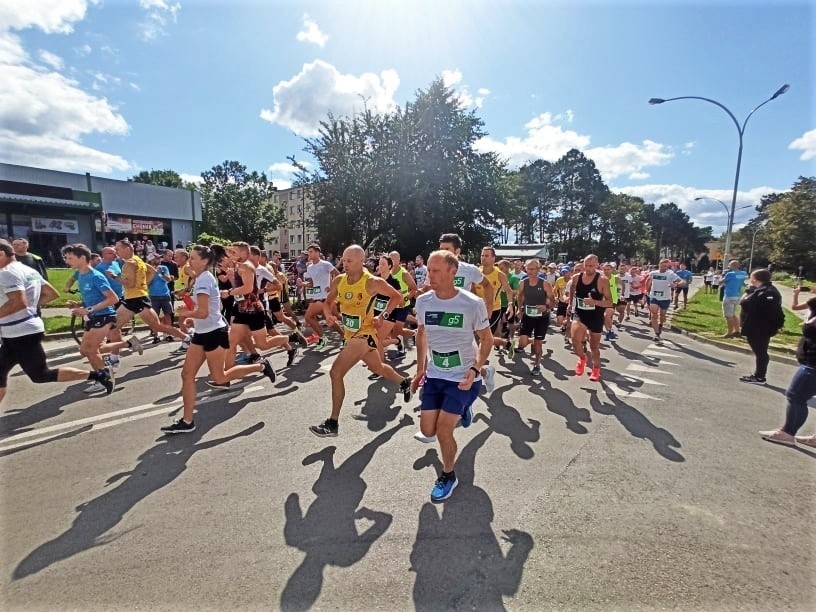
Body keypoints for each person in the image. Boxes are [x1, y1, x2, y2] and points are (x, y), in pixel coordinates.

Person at [161, 244, 276, 434]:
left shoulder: (205, 280)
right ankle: (187, 421)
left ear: (205, 261)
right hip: (202, 333)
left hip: (215, 333)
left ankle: (261, 366)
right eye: (189, 257)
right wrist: (191, 317)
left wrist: (186, 313)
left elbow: (204, 312)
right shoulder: (201, 279)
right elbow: (207, 311)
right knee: (187, 375)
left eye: (193, 258)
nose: (189, 261)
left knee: (220, 377)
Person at [411, 250, 492, 501]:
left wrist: (476, 368)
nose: (429, 275)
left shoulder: (471, 303)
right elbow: (421, 334)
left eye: (435, 271)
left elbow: (487, 340)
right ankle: (463, 411)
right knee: (427, 430)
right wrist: (420, 369)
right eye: (428, 270)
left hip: (463, 378)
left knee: (444, 431)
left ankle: (448, 475)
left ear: (452, 272)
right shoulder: (424, 302)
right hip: (436, 375)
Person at [308, 245, 412, 437]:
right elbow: (328, 302)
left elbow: (396, 297)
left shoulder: (372, 282)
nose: (344, 264)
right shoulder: (339, 280)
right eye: (343, 260)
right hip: (350, 335)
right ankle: (404, 381)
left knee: (336, 372)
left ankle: (332, 424)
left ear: (361, 261)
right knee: (378, 368)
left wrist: (383, 315)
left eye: (349, 261)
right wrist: (328, 314)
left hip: (365, 335)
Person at [0, 239, 113, 405]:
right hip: (18, 330)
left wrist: (26, 307)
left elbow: (18, 302)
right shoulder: (27, 269)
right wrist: (31, 306)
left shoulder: (6, 273)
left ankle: (98, 375)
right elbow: (51, 294)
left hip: (21, 333)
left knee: (41, 375)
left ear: (1, 254)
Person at [62, 244, 130, 392]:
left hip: (104, 315)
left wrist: (87, 309)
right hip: (92, 315)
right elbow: (92, 298)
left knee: (91, 349)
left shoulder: (96, 276)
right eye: (66, 258)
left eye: (70, 258)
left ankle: (103, 377)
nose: (67, 261)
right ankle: (126, 346)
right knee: (84, 350)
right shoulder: (81, 275)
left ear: (82, 258)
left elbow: (113, 298)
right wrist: (78, 304)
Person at [759, 287, 816, 446]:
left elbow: (810, 327)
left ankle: (787, 433)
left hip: (813, 364)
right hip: (811, 359)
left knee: (796, 395)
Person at [570, 255, 613, 381]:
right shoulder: (576, 278)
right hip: (580, 314)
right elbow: (573, 291)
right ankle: (582, 359)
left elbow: (610, 302)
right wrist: (569, 304)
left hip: (596, 316)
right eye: (586, 265)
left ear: (597, 265)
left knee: (594, 347)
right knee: (575, 339)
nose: (588, 268)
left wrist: (594, 302)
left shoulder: (603, 280)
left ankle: (596, 369)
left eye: (591, 266)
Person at [738, 269, 784, 384]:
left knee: (761, 352)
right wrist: (749, 290)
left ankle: (759, 376)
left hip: (760, 328)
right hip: (754, 326)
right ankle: (759, 375)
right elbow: (744, 302)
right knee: (760, 351)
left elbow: (774, 311)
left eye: (751, 277)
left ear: (755, 279)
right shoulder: (757, 290)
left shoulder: (768, 292)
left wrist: (778, 325)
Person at [516, 259, 555, 376]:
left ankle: (537, 364)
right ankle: (533, 341)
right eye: (528, 268)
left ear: (538, 270)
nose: (530, 271)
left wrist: (546, 306)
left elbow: (553, 300)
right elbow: (519, 296)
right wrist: (519, 309)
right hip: (528, 316)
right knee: (522, 342)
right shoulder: (523, 282)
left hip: (541, 318)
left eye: (533, 269)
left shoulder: (544, 283)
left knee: (538, 343)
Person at [298, 244, 340, 349]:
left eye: (311, 252)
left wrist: (332, 287)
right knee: (331, 319)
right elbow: (312, 284)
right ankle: (346, 336)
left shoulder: (325, 264)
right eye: (308, 252)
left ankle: (323, 338)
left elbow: (338, 275)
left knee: (308, 317)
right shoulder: (310, 267)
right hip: (316, 297)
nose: (309, 254)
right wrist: (302, 284)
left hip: (325, 297)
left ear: (317, 252)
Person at [644, 259, 685, 342]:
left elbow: (683, 282)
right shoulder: (653, 273)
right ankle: (656, 334)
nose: (665, 268)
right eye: (663, 266)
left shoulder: (670, 274)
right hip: (654, 296)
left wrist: (676, 284)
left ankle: (661, 325)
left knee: (662, 315)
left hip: (665, 298)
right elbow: (648, 281)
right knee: (654, 314)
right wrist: (647, 290)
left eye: (666, 266)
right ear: (659, 265)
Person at [721, 259, 748, 338]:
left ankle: (729, 333)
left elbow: (721, 282)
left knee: (728, 316)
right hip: (737, 295)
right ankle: (737, 331)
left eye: (729, 265)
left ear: (732, 266)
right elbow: (742, 282)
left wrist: (723, 275)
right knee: (733, 314)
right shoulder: (743, 273)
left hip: (729, 296)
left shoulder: (729, 274)